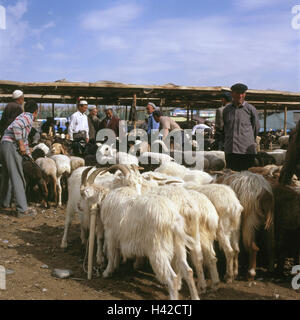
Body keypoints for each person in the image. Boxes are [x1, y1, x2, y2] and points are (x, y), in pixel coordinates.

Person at [0, 100, 39, 217]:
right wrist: (21, 144)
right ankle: (22, 209)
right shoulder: (29, 117)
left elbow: (24, 139)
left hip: (4, 144)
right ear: (36, 111)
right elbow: (17, 127)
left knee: (7, 175)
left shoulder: (22, 116)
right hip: (11, 145)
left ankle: (5, 203)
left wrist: (29, 156)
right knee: (18, 176)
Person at [223, 83, 260, 171]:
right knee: (232, 177)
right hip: (230, 150)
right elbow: (225, 127)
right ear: (232, 94)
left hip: (246, 151)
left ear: (245, 94)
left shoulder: (250, 109)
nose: (240, 96)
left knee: (247, 178)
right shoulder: (227, 110)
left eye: (242, 93)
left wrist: (248, 139)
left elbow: (256, 128)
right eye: (237, 93)